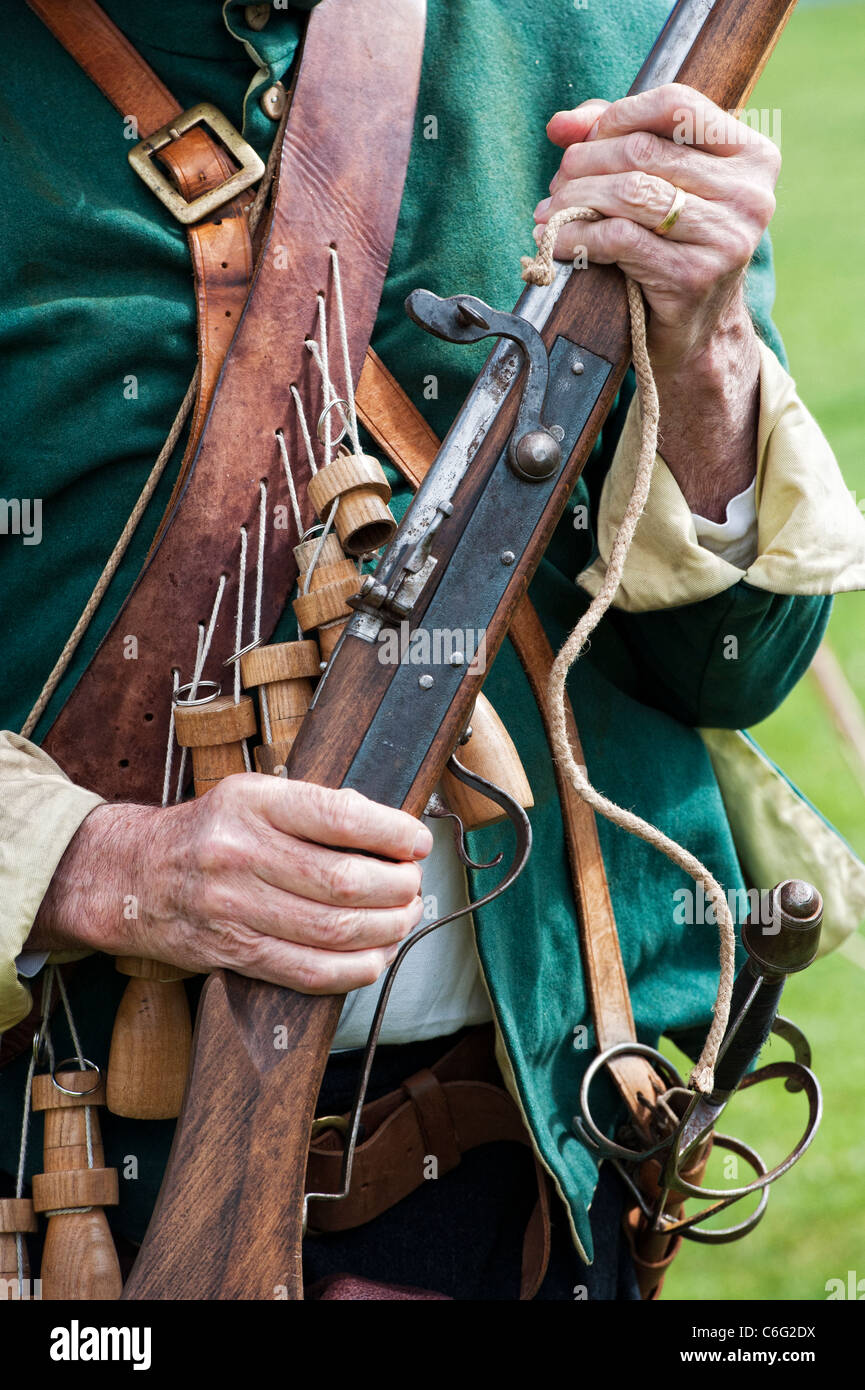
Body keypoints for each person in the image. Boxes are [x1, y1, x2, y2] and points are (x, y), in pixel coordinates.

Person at [1, 0, 863, 1301]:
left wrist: (707, 343)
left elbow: (729, 665)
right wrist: (87, 862)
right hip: (59, 1161)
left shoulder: (607, 36)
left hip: (529, 1153)